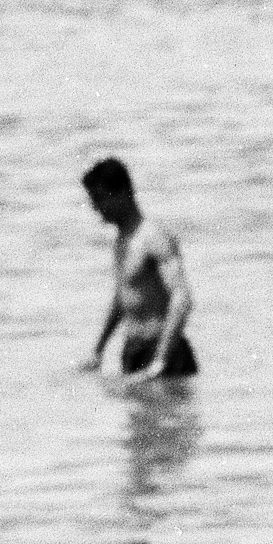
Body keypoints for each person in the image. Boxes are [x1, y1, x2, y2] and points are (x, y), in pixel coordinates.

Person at [77, 157, 194, 382]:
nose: (95, 208)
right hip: (133, 351)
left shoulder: (154, 237)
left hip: (163, 350)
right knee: (136, 416)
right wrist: (98, 351)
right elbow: (123, 296)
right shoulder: (122, 240)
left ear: (123, 192)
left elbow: (182, 298)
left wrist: (161, 359)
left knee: (170, 416)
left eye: (99, 199)